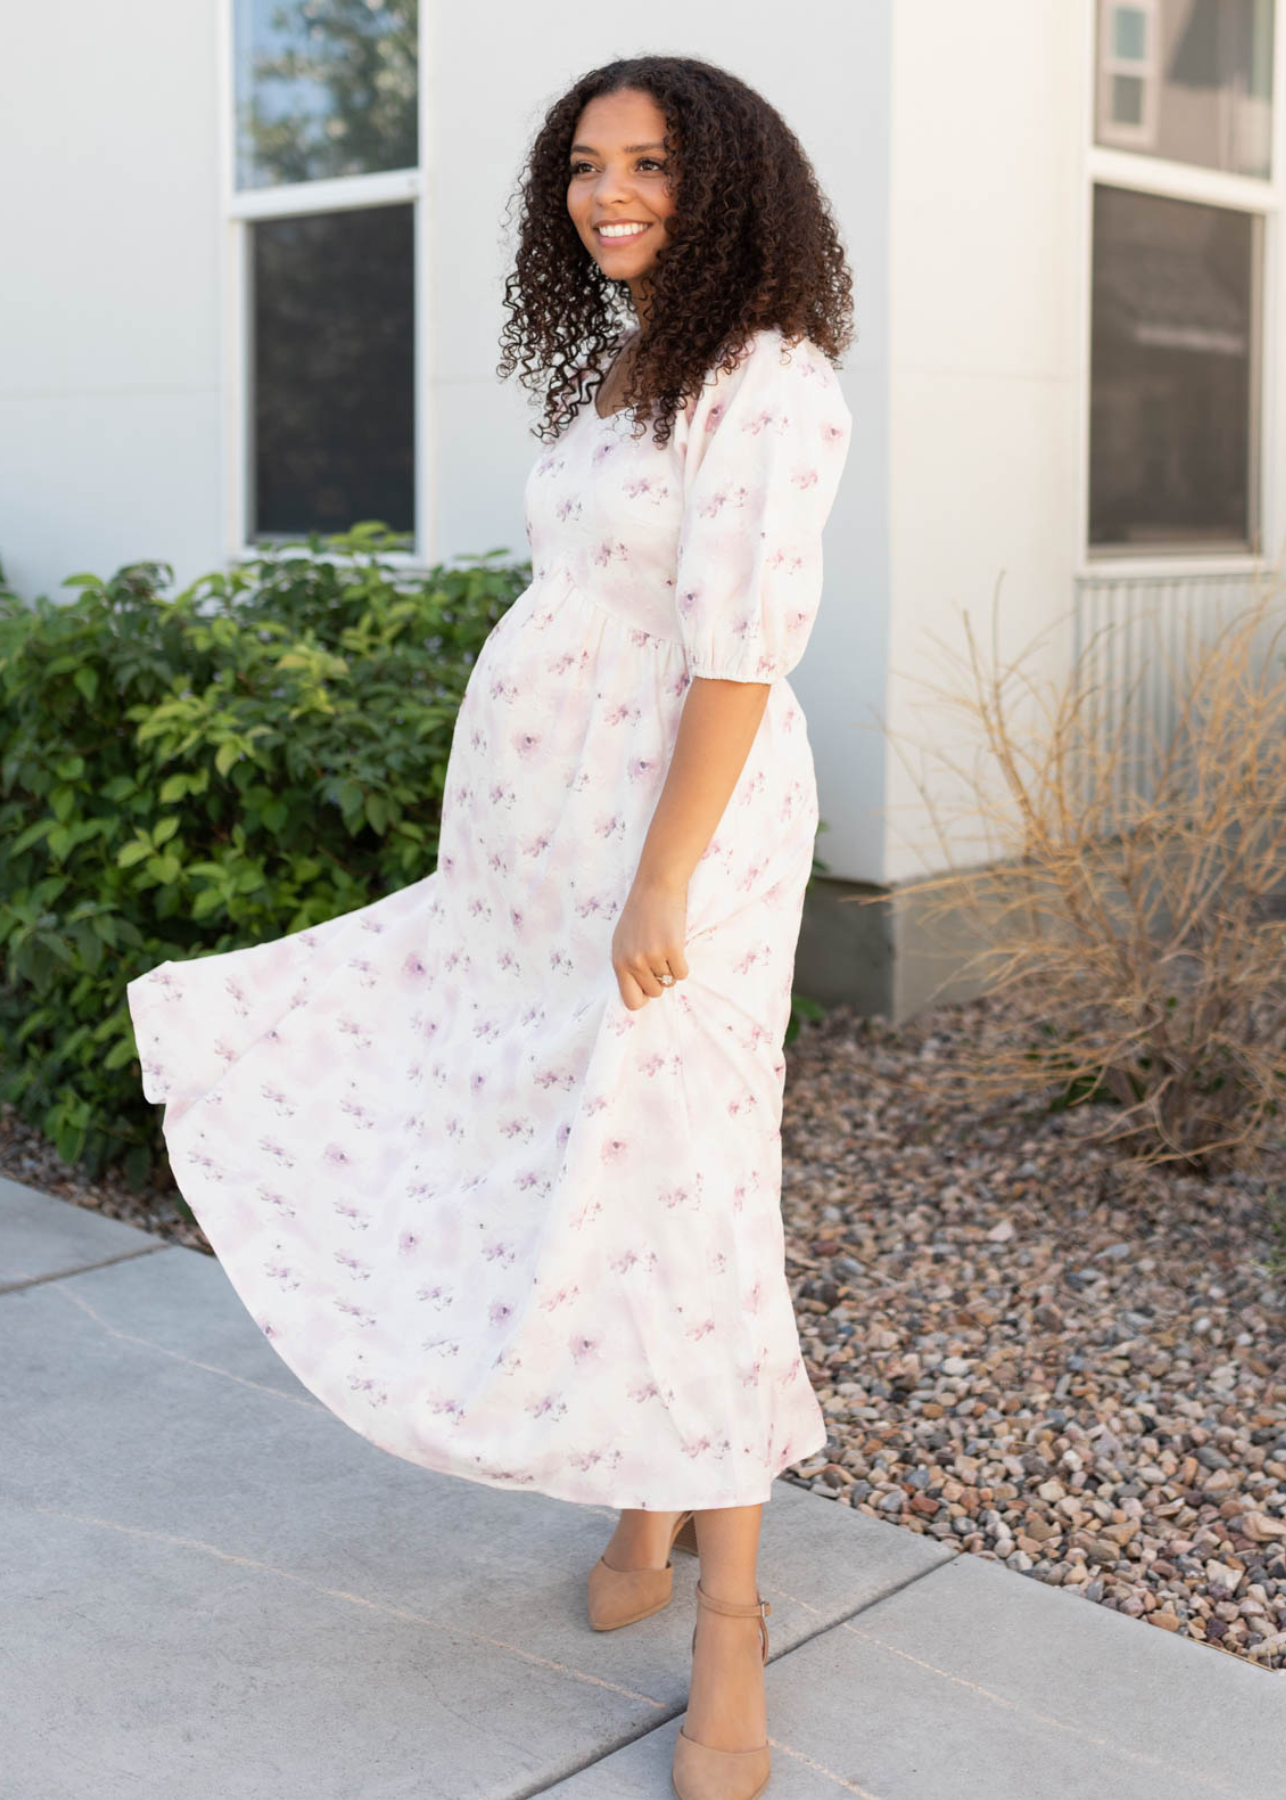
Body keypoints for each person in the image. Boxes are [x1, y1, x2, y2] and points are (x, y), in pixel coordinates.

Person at [127, 53, 853, 1800]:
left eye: (653, 165)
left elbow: (742, 647)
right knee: (564, 1156)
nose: (611, 194)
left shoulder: (769, 379)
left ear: (729, 183)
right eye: (587, 166)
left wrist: (665, 873)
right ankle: (644, 1488)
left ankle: (734, 1616)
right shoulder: (621, 368)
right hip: (540, 850)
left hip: (673, 840)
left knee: (685, 1177)